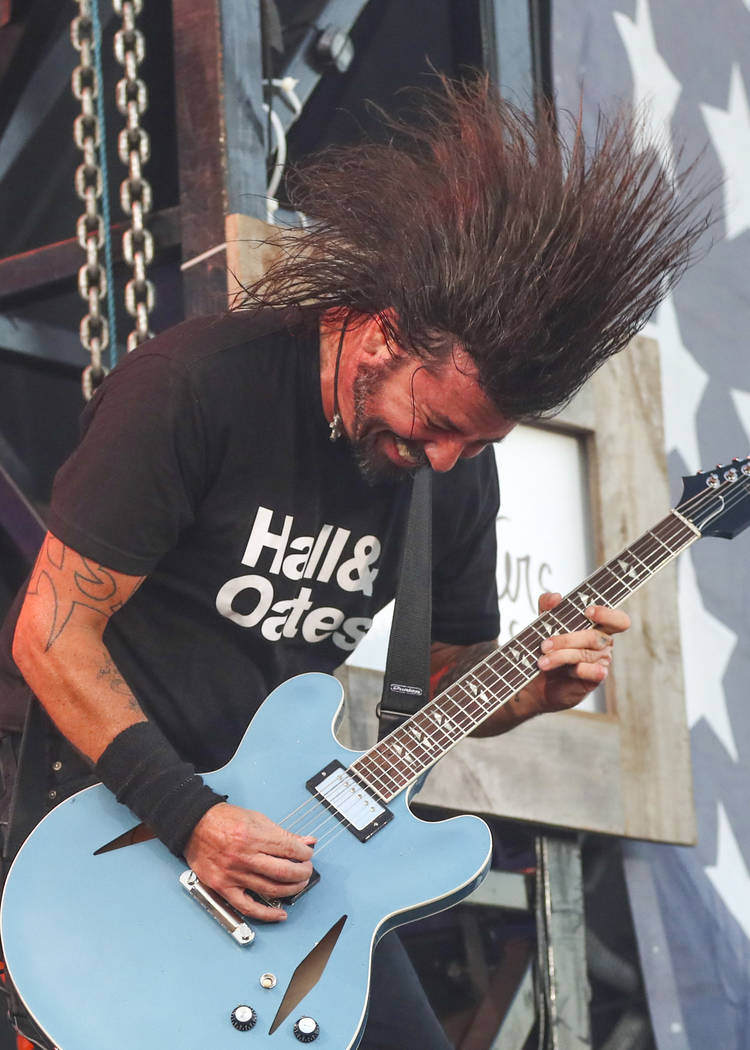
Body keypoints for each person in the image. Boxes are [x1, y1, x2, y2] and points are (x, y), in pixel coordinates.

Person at [0, 77, 709, 1049]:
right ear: (382, 335)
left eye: (479, 440)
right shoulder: (199, 387)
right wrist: (193, 817)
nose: (453, 457)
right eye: (442, 423)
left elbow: (447, 678)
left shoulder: (452, 475)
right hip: (126, 832)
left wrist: (527, 694)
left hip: (297, 860)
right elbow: (51, 633)